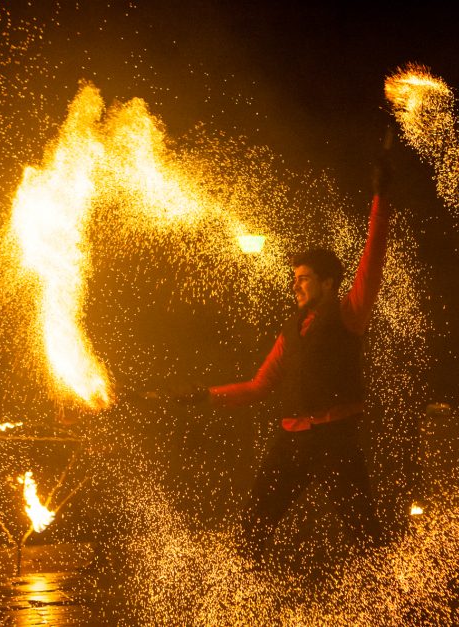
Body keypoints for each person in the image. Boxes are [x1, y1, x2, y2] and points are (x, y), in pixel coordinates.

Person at [181, 151, 392, 565]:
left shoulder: (350, 311)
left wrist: (380, 198)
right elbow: (259, 386)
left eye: (304, 279)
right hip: (291, 439)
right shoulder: (290, 331)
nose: (295, 287)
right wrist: (202, 395)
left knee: (363, 534)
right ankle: (241, 600)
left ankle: (396, 602)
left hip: (336, 439)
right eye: (293, 280)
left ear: (328, 283)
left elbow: (374, 254)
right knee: (252, 528)